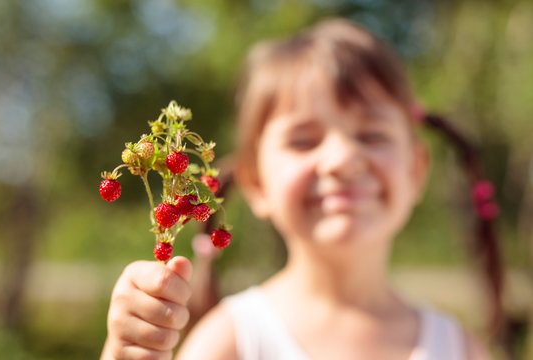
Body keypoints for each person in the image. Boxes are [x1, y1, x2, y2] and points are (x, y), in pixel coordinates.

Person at [101, 18, 499, 359]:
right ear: (256, 181)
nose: (342, 159)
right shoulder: (232, 342)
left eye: (372, 135)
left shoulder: (458, 348)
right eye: (304, 141)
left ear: (416, 171)